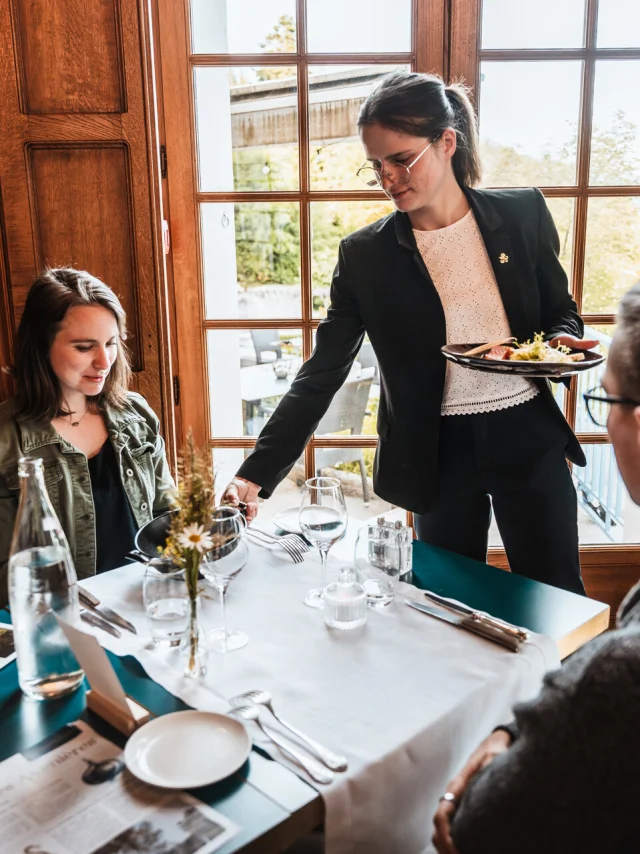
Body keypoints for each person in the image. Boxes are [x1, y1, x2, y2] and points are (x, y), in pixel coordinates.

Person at [223, 70, 595, 595]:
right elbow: (321, 375)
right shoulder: (364, 256)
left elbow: (561, 312)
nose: (388, 178)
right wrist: (255, 474)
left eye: (401, 159)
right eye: (376, 165)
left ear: (447, 143)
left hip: (527, 437)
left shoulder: (522, 213)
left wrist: (559, 344)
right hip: (432, 456)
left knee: (555, 596)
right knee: (446, 605)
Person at [432, 282, 640, 854]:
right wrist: (510, 731)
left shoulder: (617, 667)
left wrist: (452, 797)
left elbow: (474, 829)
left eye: (606, 400)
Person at [0, 268, 175, 606]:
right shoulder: (7, 439)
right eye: (84, 347)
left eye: (111, 343)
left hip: (150, 604)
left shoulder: (135, 413)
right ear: (41, 346)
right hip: (64, 625)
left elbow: (167, 515)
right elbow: (7, 571)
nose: (104, 361)